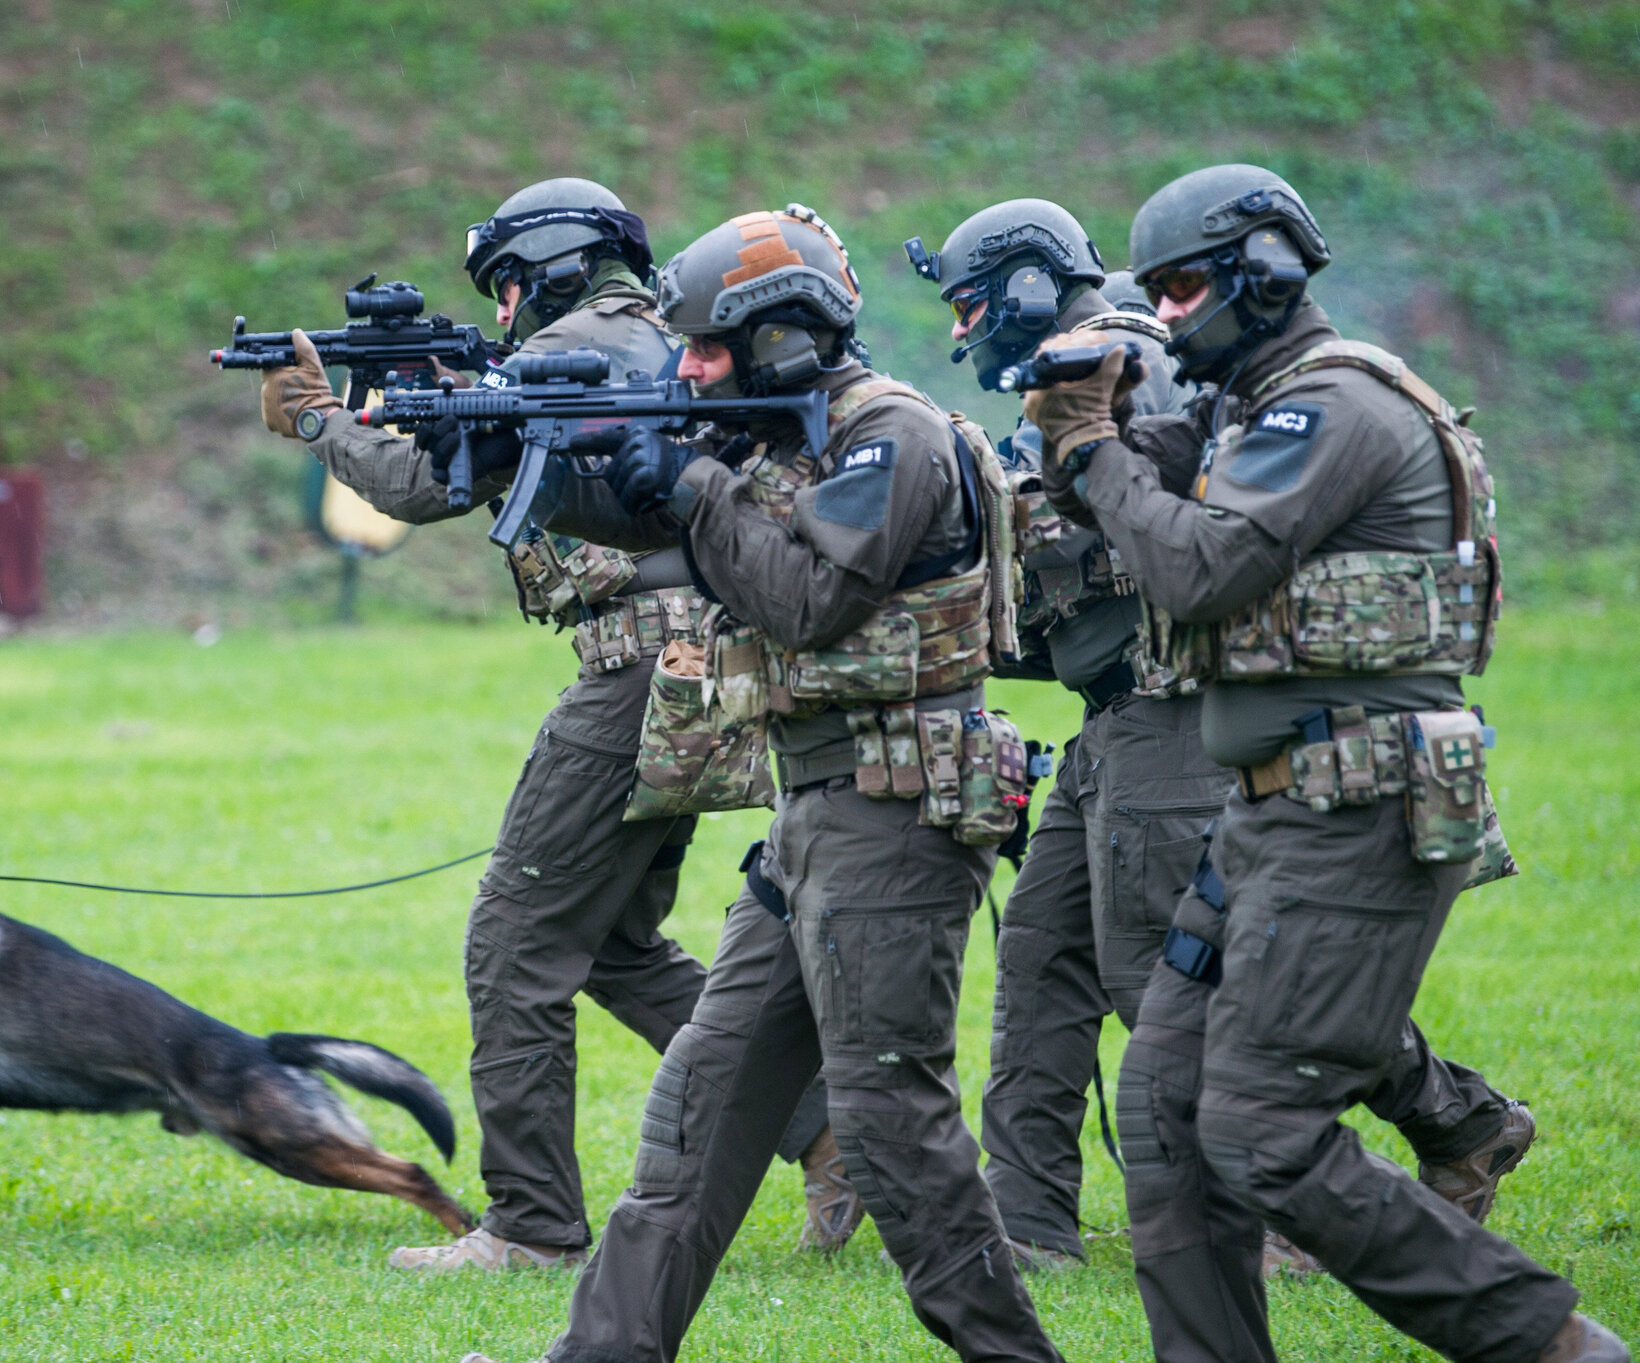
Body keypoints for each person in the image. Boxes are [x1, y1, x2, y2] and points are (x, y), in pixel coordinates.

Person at [1023, 162, 1626, 1363]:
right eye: (1157, 293)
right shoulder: (1250, 407)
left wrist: (1093, 446)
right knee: (1163, 1105)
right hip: (1271, 810)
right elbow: (1113, 491)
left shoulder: (1330, 408)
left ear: (1265, 268)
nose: (1170, 314)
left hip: (1355, 805)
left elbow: (1194, 568)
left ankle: (1552, 1346)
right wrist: (1076, 424)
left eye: (1186, 287)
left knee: (1258, 1127)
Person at [467, 204, 1066, 1363]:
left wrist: (688, 483)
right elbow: (671, 524)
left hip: (894, 814)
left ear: (779, 337)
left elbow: (803, 600)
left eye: (703, 346)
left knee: (895, 1129)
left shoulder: (889, 437)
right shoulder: (779, 442)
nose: (684, 365)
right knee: (700, 1110)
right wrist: (521, 450)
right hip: (814, 820)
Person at [915, 201, 1537, 1278]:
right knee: (1039, 957)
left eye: (973, 303)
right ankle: (1026, 1230)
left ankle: (1368, 1166)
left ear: (1021, 283)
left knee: (1169, 978)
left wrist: (1014, 525)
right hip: (1109, 711)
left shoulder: (1125, 360)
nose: (966, 329)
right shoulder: (1083, 369)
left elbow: (1171, 529)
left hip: (1164, 713)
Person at [259, 178, 855, 1272]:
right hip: (716, 662)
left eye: (505, 288)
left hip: (641, 667)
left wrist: (315, 417)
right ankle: (827, 1135)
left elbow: (424, 485)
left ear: (547, 269)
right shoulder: (676, 340)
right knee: (616, 948)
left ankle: (531, 1224)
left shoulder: (566, 350)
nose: (500, 316)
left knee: (513, 937)